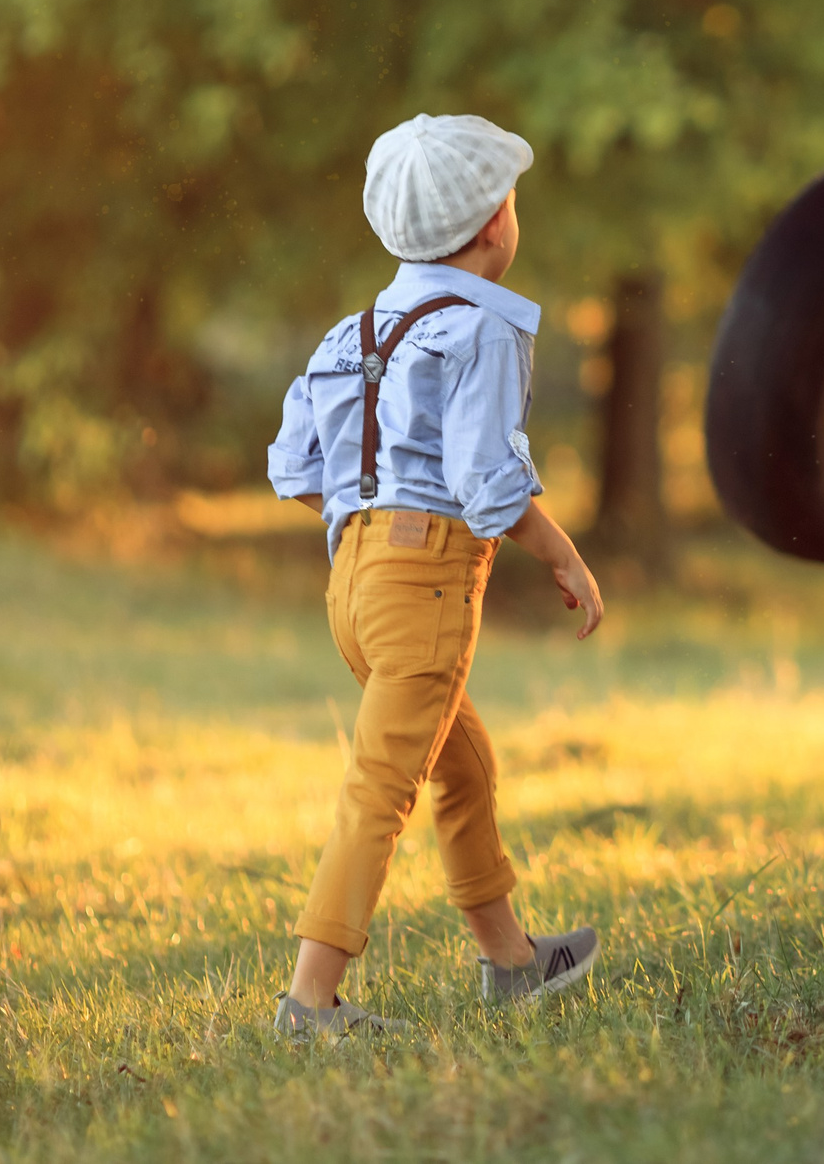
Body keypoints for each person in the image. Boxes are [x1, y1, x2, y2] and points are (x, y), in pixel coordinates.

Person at [266, 113, 607, 1038]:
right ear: (498, 219)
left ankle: (511, 960)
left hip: (353, 589)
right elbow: (489, 483)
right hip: (422, 587)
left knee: (463, 763)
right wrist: (564, 555)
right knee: (382, 786)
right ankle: (310, 1001)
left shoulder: (350, 331)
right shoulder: (482, 332)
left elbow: (296, 468)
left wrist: (369, 523)